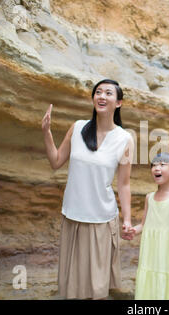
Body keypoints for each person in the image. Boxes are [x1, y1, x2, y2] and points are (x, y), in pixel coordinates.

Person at [41, 79, 134, 299]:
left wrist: (127, 219)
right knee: (71, 287)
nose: (101, 96)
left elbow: (124, 183)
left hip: (102, 220)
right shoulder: (78, 127)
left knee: (97, 290)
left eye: (108, 93)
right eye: (98, 92)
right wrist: (46, 132)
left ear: (118, 102)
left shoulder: (125, 139)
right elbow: (56, 161)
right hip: (72, 217)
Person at [125, 153, 169, 300]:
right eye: (153, 165)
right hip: (150, 255)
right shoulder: (149, 197)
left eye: (162, 164)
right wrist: (133, 230)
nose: (156, 168)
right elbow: (144, 224)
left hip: (168, 253)